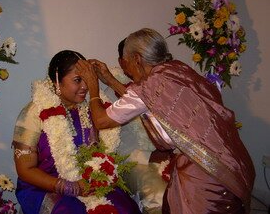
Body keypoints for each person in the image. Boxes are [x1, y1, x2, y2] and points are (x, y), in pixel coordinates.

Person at [76, 28, 256, 214]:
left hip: (205, 172)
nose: (126, 70)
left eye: (126, 63)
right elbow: (146, 102)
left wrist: (93, 87)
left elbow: (102, 121)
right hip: (231, 157)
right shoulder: (177, 70)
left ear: (137, 59)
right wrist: (110, 80)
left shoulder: (151, 86)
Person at [12, 50, 142, 214]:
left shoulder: (91, 110)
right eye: (77, 80)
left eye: (87, 79)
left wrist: (95, 179)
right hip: (47, 187)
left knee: (124, 208)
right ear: (57, 82)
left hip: (88, 183)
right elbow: (25, 170)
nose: (85, 86)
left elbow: (138, 104)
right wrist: (67, 186)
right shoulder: (34, 112)